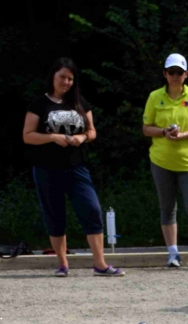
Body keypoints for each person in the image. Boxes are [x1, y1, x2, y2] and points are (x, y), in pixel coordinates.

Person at [24, 59, 124, 277]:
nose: (66, 82)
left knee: (92, 209)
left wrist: (82, 138)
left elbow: (92, 131)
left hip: (77, 167)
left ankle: (100, 264)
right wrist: (53, 137)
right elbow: (27, 135)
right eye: (62, 77)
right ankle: (63, 265)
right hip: (46, 168)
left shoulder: (79, 103)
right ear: (53, 76)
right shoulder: (39, 104)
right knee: (55, 215)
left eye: (70, 78)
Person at [143, 53, 188, 268]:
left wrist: (183, 135)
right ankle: (173, 254)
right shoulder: (155, 96)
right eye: (171, 72)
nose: (175, 76)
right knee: (167, 208)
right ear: (165, 73)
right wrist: (164, 132)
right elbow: (146, 128)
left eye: (179, 72)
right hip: (161, 160)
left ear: (186, 74)